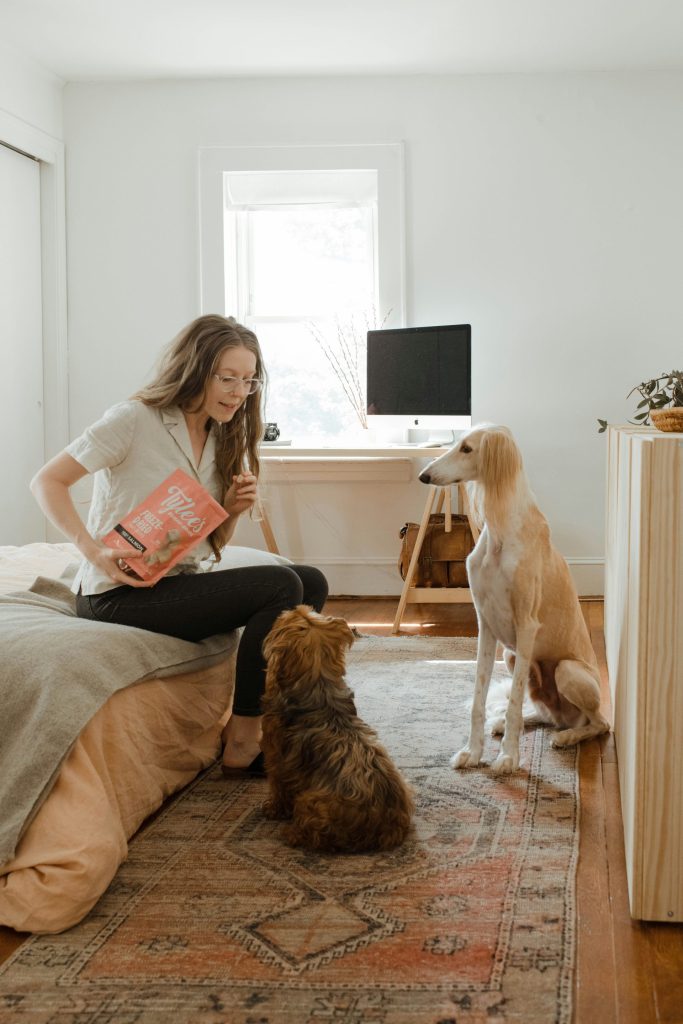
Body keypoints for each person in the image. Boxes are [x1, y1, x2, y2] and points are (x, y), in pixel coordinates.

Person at [30, 314, 329, 776]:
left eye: (248, 381)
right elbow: (47, 481)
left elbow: (206, 545)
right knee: (279, 585)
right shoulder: (134, 419)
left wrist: (229, 508)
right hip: (117, 595)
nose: (238, 392)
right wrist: (93, 551)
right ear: (195, 369)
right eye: (227, 378)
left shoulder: (220, 435)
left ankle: (286, 720)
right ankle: (244, 740)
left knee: (309, 582)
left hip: (174, 581)